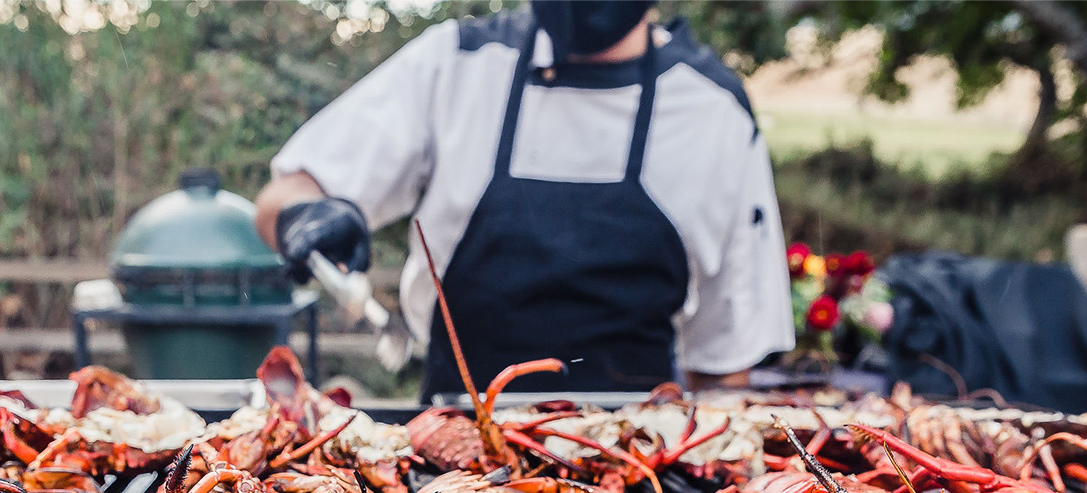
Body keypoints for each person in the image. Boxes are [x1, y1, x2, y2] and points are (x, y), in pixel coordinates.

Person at [255, 0, 793, 400]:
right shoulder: (458, 63)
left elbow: (725, 368)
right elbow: (283, 195)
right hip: (451, 455)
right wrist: (308, 215)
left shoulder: (714, 112)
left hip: (638, 472)